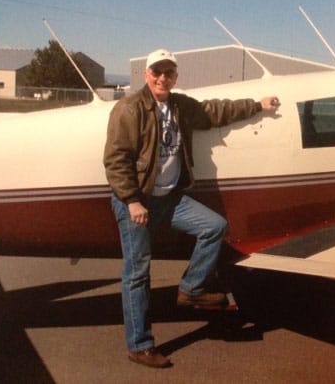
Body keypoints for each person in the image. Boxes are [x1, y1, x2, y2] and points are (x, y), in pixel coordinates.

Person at [103, 48, 279, 369]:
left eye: (168, 72)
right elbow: (116, 160)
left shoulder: (180, 105)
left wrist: (257, 105)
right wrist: (131, 200)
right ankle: (140, 345)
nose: (162, 78)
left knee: (214, 226)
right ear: (146, 75)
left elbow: (214, 112)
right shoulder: (129, 109)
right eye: (157, 72)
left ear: (175, 76)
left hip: (169, 198)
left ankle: (192, 287)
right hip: (138, 202)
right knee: (137, 274)